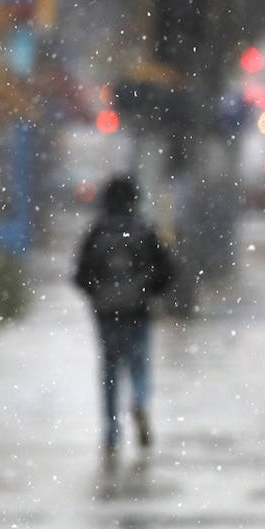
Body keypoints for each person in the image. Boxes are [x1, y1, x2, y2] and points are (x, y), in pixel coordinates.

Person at [72, 175, 176, 465]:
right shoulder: (143, 230)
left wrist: (98, 295)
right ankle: (140, 402)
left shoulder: (97, 231)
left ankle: (111, 433)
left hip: (106, 314)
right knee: (139, 365)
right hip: (138, 311)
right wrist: (148, 292)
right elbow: (167, 270)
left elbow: (80, 275)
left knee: (109, 371)